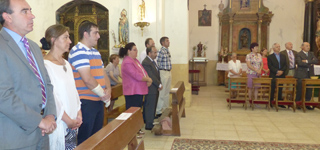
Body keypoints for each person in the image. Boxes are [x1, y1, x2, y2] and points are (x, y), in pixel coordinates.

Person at [0, 0, 56, 149]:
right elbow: (3, 95)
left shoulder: (33, 47)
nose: (32, 16)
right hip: (16, 137)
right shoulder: (1, 46)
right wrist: (38, 121)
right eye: (25, 11)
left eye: (30, 10)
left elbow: (47, 84)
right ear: (7, 17)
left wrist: (50, 115)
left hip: (43, 132)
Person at [68, 21, 112, 145]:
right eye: (95, 33)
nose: (98, 36)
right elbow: (87, 79)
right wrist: (102, 93)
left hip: (98, 100)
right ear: (86, 34)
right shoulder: (78, 51)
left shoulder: (95, 52)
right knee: (85, 140)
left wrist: (108, 89)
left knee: (96, 137)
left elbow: (103, 73)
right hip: (86, 102)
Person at [42, 24, 82, 149]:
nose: (70, 41)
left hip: (73, 120)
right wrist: (68, 120)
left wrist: (78, 113)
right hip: (60, 122)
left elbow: (74, 91)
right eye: (65, 37)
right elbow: (53, 97)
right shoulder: (46, 65)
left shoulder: (67, 63)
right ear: (53, 40)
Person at [119, 42, 152, 110]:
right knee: (132, 112)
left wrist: (148, 78)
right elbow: (136, 75)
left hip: (138, 90)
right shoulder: (127, 62)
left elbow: (143, 71)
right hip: (132, 91)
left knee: (137, 110)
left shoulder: (135, 60)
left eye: (136, 50)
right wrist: (148, 79)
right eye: (134, 50)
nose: (137, 51)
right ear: (129, 51)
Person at [142, 46, 162, 130]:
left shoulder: (152, 61)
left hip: (154, 87)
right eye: (154, 52)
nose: (156, 54)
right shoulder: (146, 62)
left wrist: (159, 83)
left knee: (153, 105)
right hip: (151, 88)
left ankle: (150, 121)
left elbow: (157, 73)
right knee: (150, 105)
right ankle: (148, 124)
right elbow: (151, 76)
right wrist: (159, 84)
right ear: (149, 53)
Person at [295, 42, 319, 110]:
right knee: (300, 88)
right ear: (302, 47)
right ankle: (298, 103)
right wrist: (310, 62)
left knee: (309, 88)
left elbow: (316, 61)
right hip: (301, 74)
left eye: (309, 46)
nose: (308, 47)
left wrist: (306, 61)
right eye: (307, 46)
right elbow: (300, 63)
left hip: (310, 74)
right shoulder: (298, 54)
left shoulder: (311, 53)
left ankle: (307, 103)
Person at [156, 36, 172, 117]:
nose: (168, 42)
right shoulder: (161, 51)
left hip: (168, 72)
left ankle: (166, 108)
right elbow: (157, 62)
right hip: (163, 72)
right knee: (162, 92)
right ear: (162, 43)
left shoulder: (167, 51)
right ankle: (159, 110)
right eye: (167, 41)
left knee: (167, 92)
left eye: (168, 40)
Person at [267, 43, 287, 108]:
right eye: (277, 47)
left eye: (279, 46)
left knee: (280, 89)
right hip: (273, 75)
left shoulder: (283, 56)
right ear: (273, 49)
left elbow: (285, 65)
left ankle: (279, 102)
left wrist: (281, 71)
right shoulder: (270, 57)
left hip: (281, 75)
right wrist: (277, 71)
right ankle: (271, 102)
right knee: (272, 89)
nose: (278, 48)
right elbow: (270, 66)